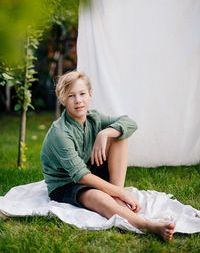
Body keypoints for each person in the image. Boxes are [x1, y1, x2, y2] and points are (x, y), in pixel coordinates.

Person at [40, 71, 174, 240]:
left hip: (89, 169)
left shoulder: (93, 118)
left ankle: (116, 199)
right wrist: (121, 192)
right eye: (71, 96)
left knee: (119, 135)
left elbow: (129, 122)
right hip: (66, 183)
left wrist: (104, 133)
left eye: (82, 94)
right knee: (97, 196)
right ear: (63, 100)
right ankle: (146, 225)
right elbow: (81, 177)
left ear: (90, 95)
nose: (78, 100)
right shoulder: (60, 133)